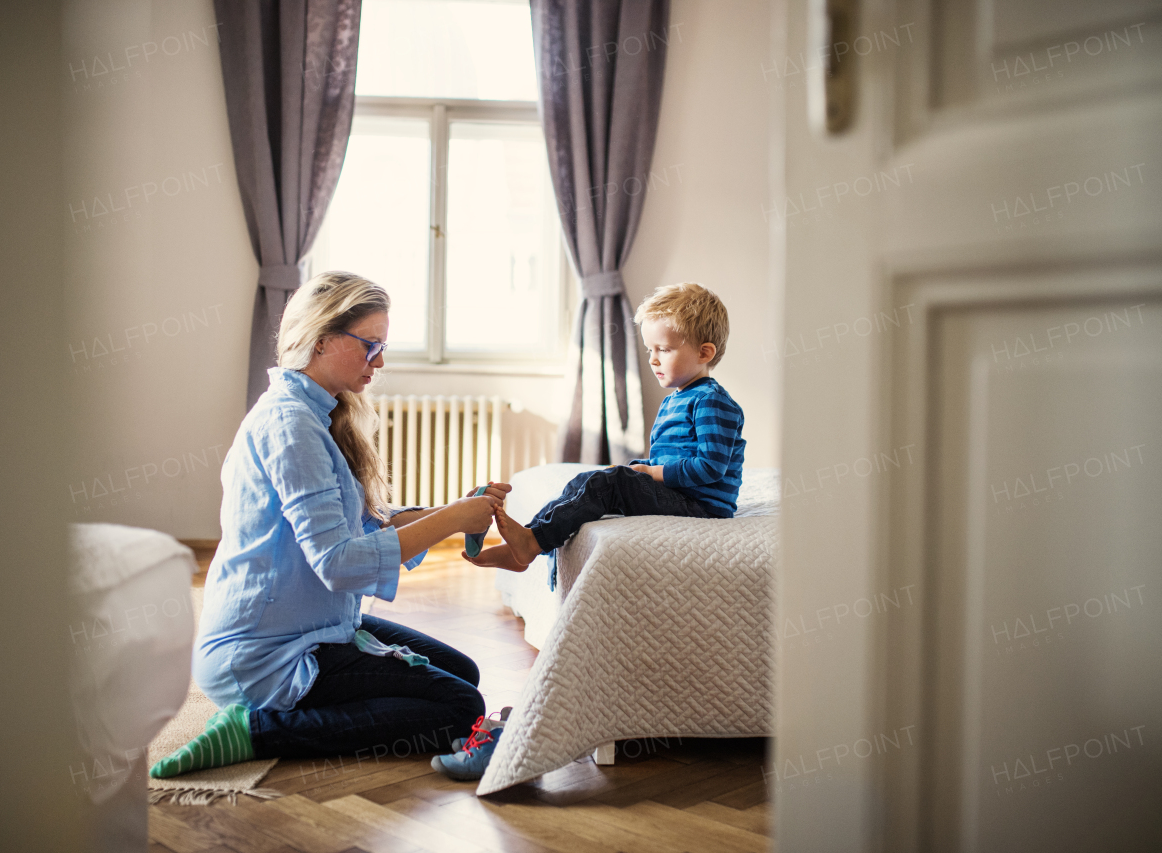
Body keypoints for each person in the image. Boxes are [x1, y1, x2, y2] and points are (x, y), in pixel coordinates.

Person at [151, 271, 513, 778]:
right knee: (460, 706)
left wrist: (449, 510)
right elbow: (340, 564)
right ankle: (257, 731)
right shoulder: (291, 425)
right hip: (265, 654)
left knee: (462, 673)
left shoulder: (313, 414)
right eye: (370, 346)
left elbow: (365, 525)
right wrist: (453, 520)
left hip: (308, 625)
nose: (380, 362)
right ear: (321, 340)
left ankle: (286, 716)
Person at [472, 282, 745, 575]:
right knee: (588, 480)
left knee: (609, 483)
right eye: (650, 349)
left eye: (663, 349)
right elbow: (669, 459)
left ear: (704, 353)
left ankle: (532, 542)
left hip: (701, 506)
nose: (653, 359)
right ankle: (532, 541)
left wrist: (651, 473)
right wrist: (643, 469)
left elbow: (710, 467)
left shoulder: (712, 401)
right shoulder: (675, 399)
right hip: (681, 494)